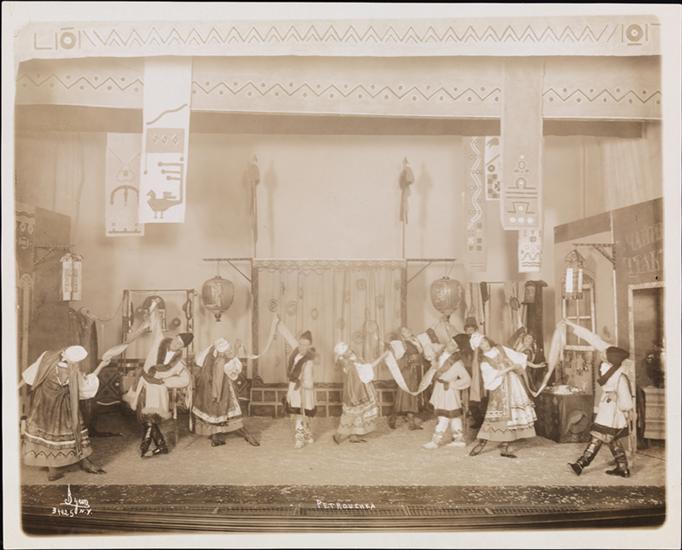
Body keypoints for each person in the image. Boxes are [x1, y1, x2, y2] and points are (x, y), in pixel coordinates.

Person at [21, 345, 107, 481]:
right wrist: (101, 366)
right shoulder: (71, 370)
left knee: (50, 434)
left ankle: (56, 469)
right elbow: (85, 386)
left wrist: (16, 386)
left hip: (44, 405)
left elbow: (31, 375)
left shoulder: (47, 356)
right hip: (59, 406)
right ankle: (68, 466)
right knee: (71, 431)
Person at [123, 305, 192, 458]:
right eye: (177, 340)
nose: (176, 344)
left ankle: (145, 446)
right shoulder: (160, 341)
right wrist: (154, 307)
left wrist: (166, 382)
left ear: (182, 348)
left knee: (150, 418)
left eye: (180, 344)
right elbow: (156, 323)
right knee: (144, 417)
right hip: (142, 383)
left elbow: (185, 380)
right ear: (174, 337)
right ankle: (162, 446)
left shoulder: (179, 363)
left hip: (157, 390)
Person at [468, 333, 541, 458]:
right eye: (481, 344)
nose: (484, 345)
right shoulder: (484, 361)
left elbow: (517, 357)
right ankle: (482, 443)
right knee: (494, 416)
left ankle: (505, 447)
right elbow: (493, 375)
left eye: (485, 341)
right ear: (478, 348)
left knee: (511, 417)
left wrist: (520, 364)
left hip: (513, 384)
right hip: (499, 388)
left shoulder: (500, 348)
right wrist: (510, 368)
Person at [568, 345, 634, 478]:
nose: (602, 355)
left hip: (612, 412)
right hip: (608, 409)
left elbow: (626, 400)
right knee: (612, 439)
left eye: (605, 354)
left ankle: (581, 463)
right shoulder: (610, 372)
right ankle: (623, 468)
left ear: (611, 359)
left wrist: (619, 401)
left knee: (598, 436)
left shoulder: (619, 376)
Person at [191, 337, 259, 447]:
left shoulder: (213, 357)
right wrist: (236, 352)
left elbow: (228, 366)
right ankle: (244, 435)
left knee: (217, 413)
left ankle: (217, 437)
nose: (230, 351)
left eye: (230, 349)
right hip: (219, 391)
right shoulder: (220, 361)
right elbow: (234, 371)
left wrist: (235, 351)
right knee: (224, 413)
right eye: (228, 350)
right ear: (221, 352)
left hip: (214, 391)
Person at [333, 343, 388, 444]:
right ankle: (338, 434)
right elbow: (370, 367)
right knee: (351, 413)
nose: (350, 351)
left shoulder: (352, 359)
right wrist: (383, 356)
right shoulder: (349, 363)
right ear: (343, 354)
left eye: (349, 349)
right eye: (347, 351)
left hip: (358, 388)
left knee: (358, 413)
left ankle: (354, 436)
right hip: (355, 390)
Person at [423, 336, 472, 449]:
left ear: (457, 349)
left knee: (444, 415)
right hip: (440, 389)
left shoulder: (457, 363)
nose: (449, 344)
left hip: (449, 391)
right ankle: (459, 439)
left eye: (453, 344)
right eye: (450, 341)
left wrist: (453, 384)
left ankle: (435, 441)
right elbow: (428, 347)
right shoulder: (441, 355)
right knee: (454, 416)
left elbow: (467, 379)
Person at [388, 327, 426, 431]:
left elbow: (421, 353)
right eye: (404, 331)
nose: (407, 331)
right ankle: (393, 418)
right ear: (401, 334)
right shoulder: (401, 344)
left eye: (408, 329)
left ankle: (411, 422)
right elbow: (399, 357)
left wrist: (417, 344)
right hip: (408, 371)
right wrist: (408, 359)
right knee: (405, 394)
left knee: (412, 395)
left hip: (416, 370)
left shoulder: (414, 340)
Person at [284, 330, 317, 449]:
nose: (302, 347)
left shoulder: (310, 359)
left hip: (307, 389)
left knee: (306, 413)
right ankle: (299, 438)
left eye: (306, 344)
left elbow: (311, 374)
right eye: (301, 344)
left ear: (309, 346)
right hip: (297, 389)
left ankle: (307, 433)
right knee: (299, 413)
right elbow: (293, 377)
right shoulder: (296, 357)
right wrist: (289, 392)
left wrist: (310, 384)